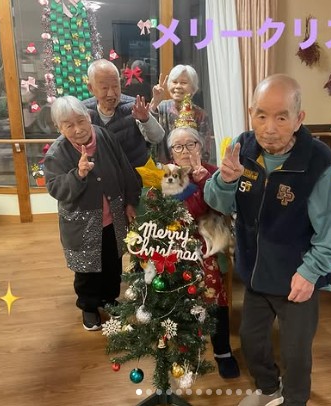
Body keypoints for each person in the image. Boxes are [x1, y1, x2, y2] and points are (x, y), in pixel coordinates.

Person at [204, 74, 331, 406]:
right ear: (251, 113)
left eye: (281, 117)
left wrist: (310, 272)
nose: (269, 128)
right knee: (252, 342)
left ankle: (294, 400)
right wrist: (225, 180)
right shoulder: (242, 149)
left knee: (296, 354)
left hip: (298, 280)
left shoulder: (318, 164)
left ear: (299, 119)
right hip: (256, 274)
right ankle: (269, 389)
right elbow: (218, 202)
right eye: (261, 115)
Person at [44, 95, 141, 331]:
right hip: (82, 223)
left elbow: (125, 169)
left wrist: (130, 202)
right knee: (86, 269)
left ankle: (109, 298)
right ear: (59, 128)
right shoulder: (57, 154)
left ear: (88, 117)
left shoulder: (104, 136)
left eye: (81, 121)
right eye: (69, 125)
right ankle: (88, 306)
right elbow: (56, 188)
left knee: (112, 261)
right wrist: (78, 175)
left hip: (113, 216)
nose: (78, 129)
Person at [167, 125, 240, 379]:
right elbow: (188, 213)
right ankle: (185, 349)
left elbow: (224, 209)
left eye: (191, 144)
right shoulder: (169, 175)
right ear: (172, 153)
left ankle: (222, 350)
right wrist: (201, 186)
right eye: (179, 146)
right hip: (177, 241)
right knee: (175, 285)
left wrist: (206, 181)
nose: (185, 151)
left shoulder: (214, 172)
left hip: (210, 240)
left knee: (212, 283)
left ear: (201, 146)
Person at [84, 59, 164, 169]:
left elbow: (157, 137)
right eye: (104, 88)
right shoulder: (82, 112)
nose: (111, 93)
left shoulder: (134, 107)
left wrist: (146, 119)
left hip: (132, 176)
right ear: (91, 88)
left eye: (115, 86)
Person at [149, 64, 215, 164]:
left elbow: (204, 151)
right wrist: (155, 102)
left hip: (192, 168)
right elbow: (148, 133)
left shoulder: (200, 115)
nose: (178, 86)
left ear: (193, 88)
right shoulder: (161, 108)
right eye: (174, 82)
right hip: (163, 169)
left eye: (183, 83)